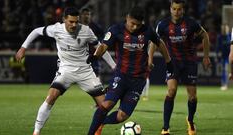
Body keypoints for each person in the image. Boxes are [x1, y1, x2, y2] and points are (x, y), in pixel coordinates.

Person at [15, 7, 109, 135]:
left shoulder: (86, 31)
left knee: (105, 105)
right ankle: (36, 132)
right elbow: (36, 31)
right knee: (51, 97)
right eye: (71, 22)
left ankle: (97, 131)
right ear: (64, 19)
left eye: (76, 22)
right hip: (66, 70)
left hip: (85, 71)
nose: (74, 25)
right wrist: (23, 47)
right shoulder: (56, 29)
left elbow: (101, 48)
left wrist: (114, 66)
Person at [87, 6, 173, 135]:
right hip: (121, 75)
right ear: (127, 18)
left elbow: (160, 44)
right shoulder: (116, 30)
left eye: (138, 25)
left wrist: (169, 62)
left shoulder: (147, 31)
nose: (134, 27)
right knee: (106, 105)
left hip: (138, 80)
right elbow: (104, 45)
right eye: (132, 24)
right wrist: (95, 56)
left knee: (122, 116)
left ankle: (102, 122)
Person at [156, 0, 211, 135]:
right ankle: (165, 127)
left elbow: (205, 35)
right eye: (174, 9)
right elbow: (154, 41)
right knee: (171, 91)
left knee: (192, 97)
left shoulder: (191, 23)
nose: (176, 12)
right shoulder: (163, 24)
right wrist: (150, 58)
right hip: (173, 62)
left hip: (189, 63)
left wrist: (205, 56)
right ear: (170, 9)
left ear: (183, 10)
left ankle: (190, 121)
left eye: (179, 9)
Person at [80, 7, 116, 76]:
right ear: (80, 16)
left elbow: (102, 43)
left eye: (88, 14)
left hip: (92, 57)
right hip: (78, 58)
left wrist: (113, 65)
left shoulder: (95, 27)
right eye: (84, 14)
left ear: (90, 15)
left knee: (95, 80)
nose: (86, 16)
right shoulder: (75, 28)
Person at [216, 24, 231, 90]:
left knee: (227, 70)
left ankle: (225, 84)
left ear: (228, 29)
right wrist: (216, 55)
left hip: (230, 56)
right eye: (223, 29)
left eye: (226, 28)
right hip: (224, 56)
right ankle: (224, 84)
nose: (224, 30)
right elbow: (218, 47)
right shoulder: (220, 37)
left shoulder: (230, 36)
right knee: (224, 70)